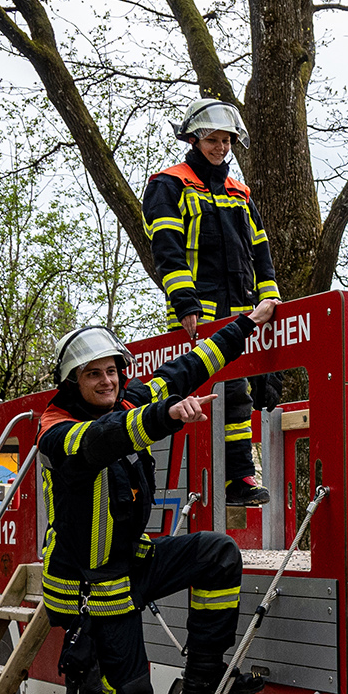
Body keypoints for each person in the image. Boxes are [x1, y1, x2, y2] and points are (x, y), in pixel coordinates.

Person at [36, 300, 276, 694]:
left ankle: (204, 675)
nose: (107, 381)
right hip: (94, 592)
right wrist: (166, 416)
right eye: (93, 375)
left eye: (112, 370)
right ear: (73, 382)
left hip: (132, 565)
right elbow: (106, 437)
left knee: (217, 554)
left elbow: (187, 367)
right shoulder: (56, 429)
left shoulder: (128, 397)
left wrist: (245, 324)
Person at [143, 97, 280, 507]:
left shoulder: (239, 191)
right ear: (193, 139)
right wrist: (185, 301)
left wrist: (269, 293)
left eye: (227, 141)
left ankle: (235, 478)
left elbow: (260, 248)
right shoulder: (169, 184)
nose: (221, 148)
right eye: (213, 140)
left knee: (240, 393)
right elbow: (166, 246)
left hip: (242, 308)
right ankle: (212, 480)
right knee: (207, 391)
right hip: (196, 311)